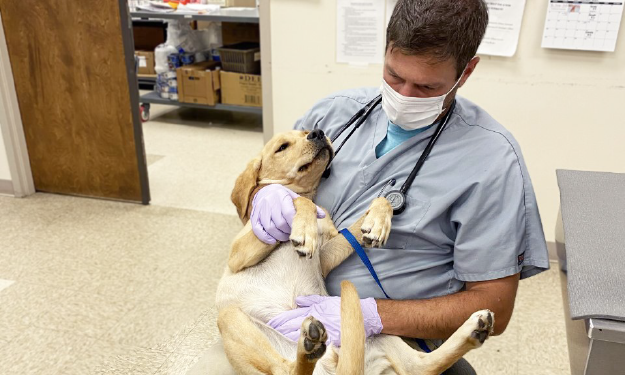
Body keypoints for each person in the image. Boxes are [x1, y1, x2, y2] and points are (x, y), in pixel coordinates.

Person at [194, 1, 550, 374]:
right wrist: (265, 196)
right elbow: (269, 184)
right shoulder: (334, 114)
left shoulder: (493, 162)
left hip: (389, 337)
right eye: (395, 76)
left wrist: (371, 315)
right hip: (274, 321)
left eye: (428, 86)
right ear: (385, 50)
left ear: (467, 71)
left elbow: (494, 307)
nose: (406, 96)